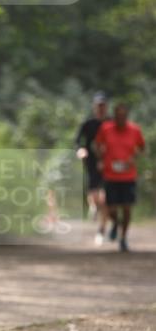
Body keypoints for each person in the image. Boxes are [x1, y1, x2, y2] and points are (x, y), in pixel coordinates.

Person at [93, 103, 145, 253]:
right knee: (111, 208)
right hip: (110, 174)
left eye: (124, 116)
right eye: (118, 116)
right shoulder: (106, 129)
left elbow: (141, 148)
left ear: (127, 117)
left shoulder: (135, 130)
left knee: (127, 208)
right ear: (114, 116)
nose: (121, 119)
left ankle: (123, 238)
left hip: (128, 175)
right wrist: (101, 159)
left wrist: (133, 159)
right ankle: (116, 223)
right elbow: (96, 145)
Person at [75, 92, 108, 245]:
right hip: (92, 162)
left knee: (105, 199)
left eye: (103, 106)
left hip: (109, 163)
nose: (100, 108)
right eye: (98, 106)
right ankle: (93, 207)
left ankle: (102, 231)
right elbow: (77, 141)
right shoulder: (88, 124)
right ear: (94, 107)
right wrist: (81, 150)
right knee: (95, 193)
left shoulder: (111, 124)